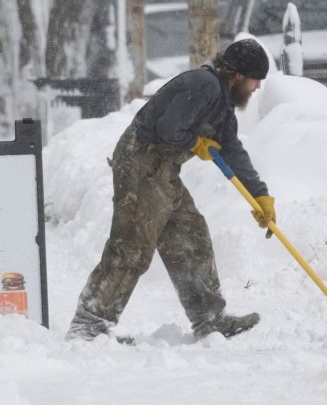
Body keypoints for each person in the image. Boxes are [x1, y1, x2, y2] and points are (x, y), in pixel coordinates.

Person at [67, 38, 275, 342]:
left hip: (162, 169)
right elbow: (169, 128)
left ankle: (209, 320)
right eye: (256, 80)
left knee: (190, 236)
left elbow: (231, 147)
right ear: (239, 75)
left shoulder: (222, 102)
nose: (256, 88)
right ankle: (89, 324)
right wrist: (196, 144)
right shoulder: (204, 85)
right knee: (132, 245)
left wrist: (260, 194)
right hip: (140, 162)